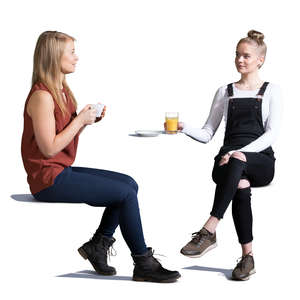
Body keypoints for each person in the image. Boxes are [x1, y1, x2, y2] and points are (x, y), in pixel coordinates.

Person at [21, 31, 180, 283]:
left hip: (60, 170)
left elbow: (63, 140)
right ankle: (143, 262)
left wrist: (85, 122)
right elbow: (49, 149)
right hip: (47, 180)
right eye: (71, 52)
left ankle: (98, 245)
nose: (76, 57)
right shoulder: (42, 96)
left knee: (129, 184)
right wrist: (79, 121)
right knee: (125, 194)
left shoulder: (62, 91)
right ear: (54, 56)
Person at [178, 30, 281, 280]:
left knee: (238, 161)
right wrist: (183, 128)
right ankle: (248, 258)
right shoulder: (225, 91)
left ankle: (210, 228)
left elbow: (272, 134)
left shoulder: (271, 91)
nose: (240, 60)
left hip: (260, 161)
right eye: (237, 55)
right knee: (240, 186)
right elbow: (207, 133)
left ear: (260, 60)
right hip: (227, 163)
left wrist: (239, 152)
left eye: (246, 56)